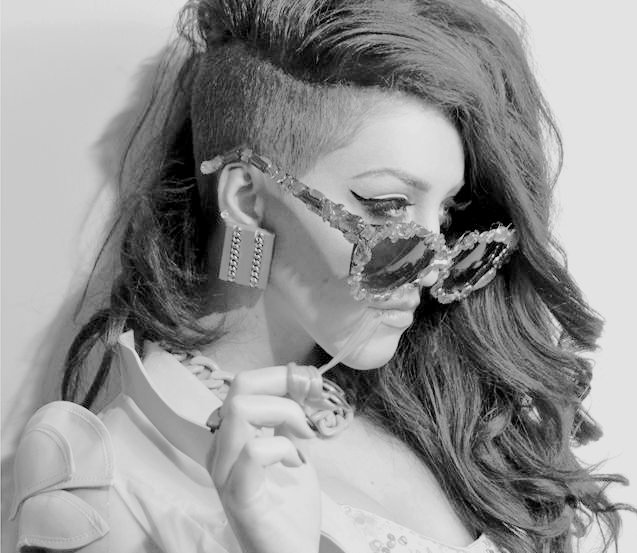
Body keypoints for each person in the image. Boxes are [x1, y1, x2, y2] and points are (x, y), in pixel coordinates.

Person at [9, 0, 630, 552]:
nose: (433, 263)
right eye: (387, 206)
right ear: (247, 200)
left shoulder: (440, 409)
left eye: (445, 216)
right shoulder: (106, 485)